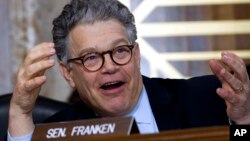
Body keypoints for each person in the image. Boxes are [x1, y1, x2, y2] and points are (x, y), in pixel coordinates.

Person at [7, 0, 250, 140]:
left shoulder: (209, 99)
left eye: (120, 51)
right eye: (91, 57)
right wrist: (19, 112)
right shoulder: (56, 132)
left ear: (136, 55)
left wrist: (243, 121)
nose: (110, 66)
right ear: (68, 73)